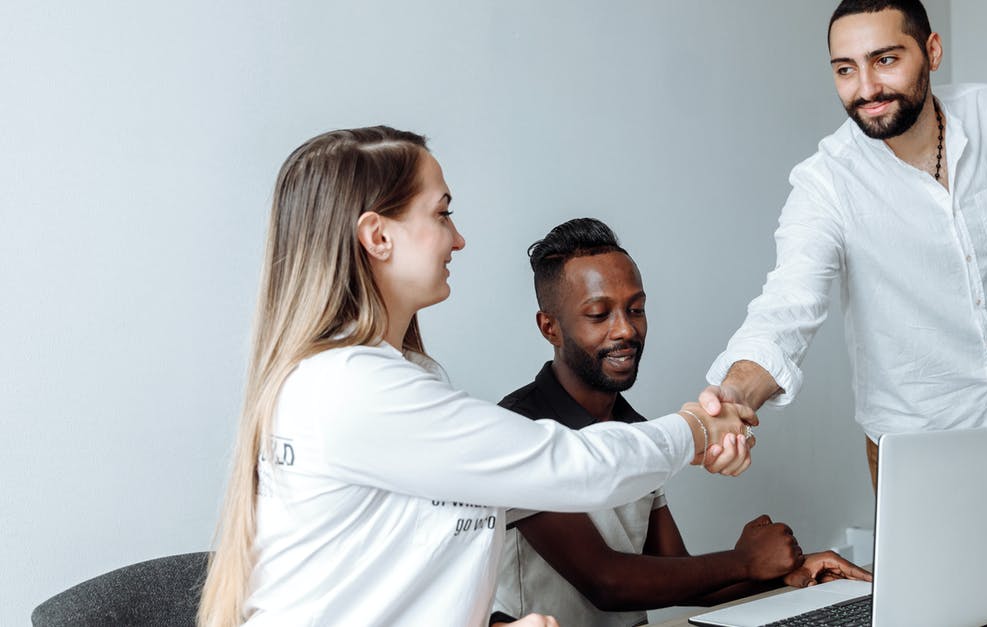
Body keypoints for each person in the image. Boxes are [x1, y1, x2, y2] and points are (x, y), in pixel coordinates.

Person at [197, 127, 758, 627]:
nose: (458, 238)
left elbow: (391, 566)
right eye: (442, 213)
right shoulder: (349, 388)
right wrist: (697, 430)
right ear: (378, 236)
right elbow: (573, 469)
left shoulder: (396, 380)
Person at [699, 0, 987, 574]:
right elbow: (787, 306)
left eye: (884, 60)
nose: (866, 87)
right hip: (921, 449)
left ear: (931, 51)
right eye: (845, 69)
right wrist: (735, 395)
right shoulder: (826, 183)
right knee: (943, 608)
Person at [491, 218, 870, 626]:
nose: (626, 330)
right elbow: (607, 582)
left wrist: (789, 571)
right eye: (599, 314)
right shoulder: (519, 430)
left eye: (636, 309)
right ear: (551, 328)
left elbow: (677, 572)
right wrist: (744, 561)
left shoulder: (640, 431)